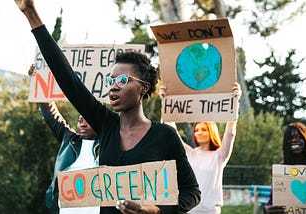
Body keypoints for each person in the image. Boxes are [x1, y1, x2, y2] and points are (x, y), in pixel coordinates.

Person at [15, 1, 201, 213]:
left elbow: (192, 193)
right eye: (110, 80)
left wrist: (153, 210)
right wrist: (30, 13)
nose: (113, 87)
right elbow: (67, 78)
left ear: (143, 87)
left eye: (122, 80)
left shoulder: (165, 136)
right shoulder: (105, 125)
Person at [159, 83, 242, 214]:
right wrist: (165, 101)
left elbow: (230, 132)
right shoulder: (189, 153)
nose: (199, 132)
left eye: (203, 129)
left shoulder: (220, 155)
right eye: (196, 130)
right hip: (188, 209)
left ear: (211, 132)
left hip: (210, 210)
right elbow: (171, 132)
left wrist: (235, 101)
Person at [29, 65, 100, 214]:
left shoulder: (110, 143)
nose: (82, 122)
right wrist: (38, 83)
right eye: (80, 119)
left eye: (87, 118)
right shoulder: (69, 139)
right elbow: (51, 113)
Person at [264, 122, 306, 213]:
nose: (294, 140)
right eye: (290, 138)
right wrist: (267, 209)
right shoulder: (281, 170)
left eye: (299, 137)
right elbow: (271, 201)